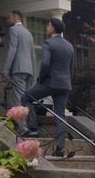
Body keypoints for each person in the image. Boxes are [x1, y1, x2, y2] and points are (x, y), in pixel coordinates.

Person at [27, 17, 75, 156]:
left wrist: (40, 79)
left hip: (50, 82)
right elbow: (72, 68)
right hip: (65, 84)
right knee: (60, 115)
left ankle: (33, 128)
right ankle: (60, 149)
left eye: (48, 26)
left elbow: (45, 64)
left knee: (26, 98)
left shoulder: (48, 43)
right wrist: (67, 81)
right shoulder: (69, 46)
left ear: (53, 28)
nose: (47, 28)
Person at [2, 10, 35, 135]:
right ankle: (29, 126)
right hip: (28, 70)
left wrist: (5, 70)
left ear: (16, 18)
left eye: (8, 17)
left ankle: (24, 129)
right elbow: (32, 54)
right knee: (24, 98)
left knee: (18, 99)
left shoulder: (14, 30)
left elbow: (12, 50)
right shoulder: (28, 33)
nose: (7, 20)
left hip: (18, 68)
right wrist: (33, 74)